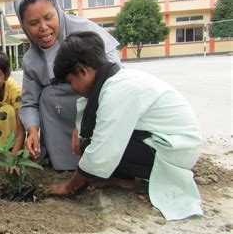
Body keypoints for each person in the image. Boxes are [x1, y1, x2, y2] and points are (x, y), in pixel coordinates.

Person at [48, 31, 203, 221]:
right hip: (166, 141)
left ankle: (143, 177)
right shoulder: (116, 80)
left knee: (93, 147)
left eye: (71, 82)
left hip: (177, 152)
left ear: (82, 71)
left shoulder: (117, 91)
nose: (73, 89)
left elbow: (101, 152)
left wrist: (69, 187)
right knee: (91, 145)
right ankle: (125, 180)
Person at [13, 0, 120, 171]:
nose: (43, 27)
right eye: (33, 23)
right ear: (24, 27)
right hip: (57, 108)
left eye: (48, 18)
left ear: (58, 12)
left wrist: (85, 119)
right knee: (45, 97)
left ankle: (99, 165)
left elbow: (113, 75)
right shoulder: (31, 60)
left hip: (93, 98)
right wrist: (32, 130)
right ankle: (63, 163)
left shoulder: (85, 31)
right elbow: (29, 102)